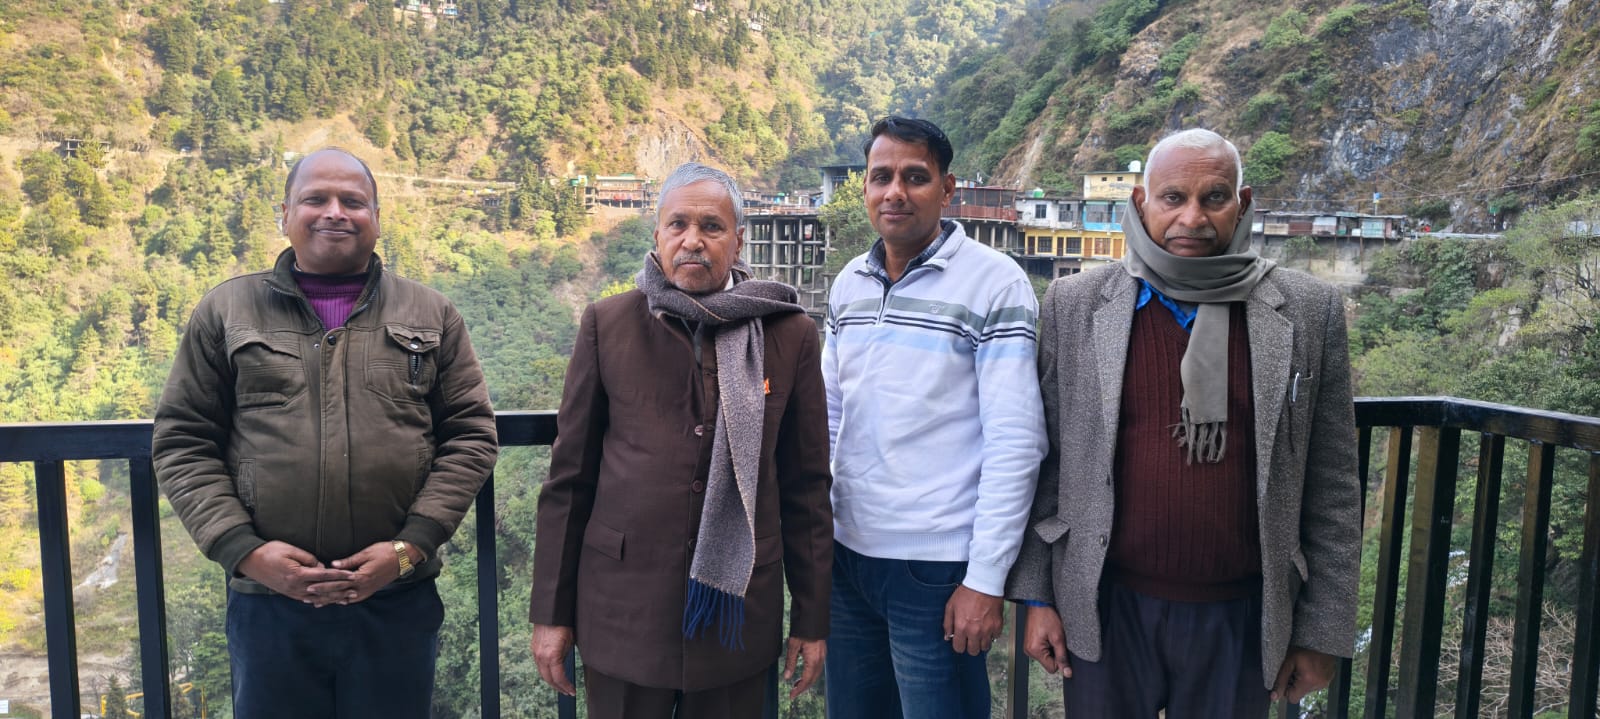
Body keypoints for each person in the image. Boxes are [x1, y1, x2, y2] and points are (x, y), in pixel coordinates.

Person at [1007, 128, 1361, 717]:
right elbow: (1050, 460)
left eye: (1213, 198)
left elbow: (1334, 486)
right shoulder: (1075, 304)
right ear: (1141, 202)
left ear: (1242, 204)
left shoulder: (1307, 310)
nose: (1192, 218)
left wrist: (1321, 632)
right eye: (1173, 197)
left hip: (1244, 617)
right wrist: (1036, 597)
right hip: (1104, 606)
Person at [152, 148, 499, 718]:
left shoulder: (432, 313)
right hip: (269, 606)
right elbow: (183, 441)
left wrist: (410, 547)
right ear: (285, 214)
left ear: (376, 218)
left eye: (353, 201)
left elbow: (470, 435)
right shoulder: (227, 310)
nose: (335, 212)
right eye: (316, 199)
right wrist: (245, 552)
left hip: (397, 600)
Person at [529, 162, 833, 718]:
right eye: (678, 225)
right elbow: (569, 480)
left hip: (736, 618)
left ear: (738, 241)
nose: (693, 240)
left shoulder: (787, 335)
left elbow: (806, 487)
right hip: (623, 611)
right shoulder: (608, 325)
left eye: (712, 226)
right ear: (658, 236)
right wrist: (550, 614)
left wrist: (812, 621)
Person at [821, 116, 1048, 719]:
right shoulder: (850, 283)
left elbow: (1016, 440)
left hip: (936, 569)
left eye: (915, 177)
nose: (895, 192)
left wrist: (985, 578)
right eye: (881, 177)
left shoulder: (994, 284)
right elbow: (830, 416)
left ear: (947, 189)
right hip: (847, 557)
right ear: (865, 188)